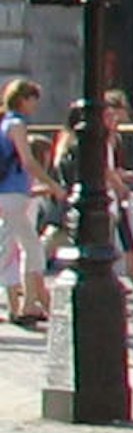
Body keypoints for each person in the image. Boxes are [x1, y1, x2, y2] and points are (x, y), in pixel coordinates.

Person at [0, 76, 43, 328]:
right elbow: (27, 161)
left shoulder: (5, 123)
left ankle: (20, 305)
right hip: (13, 193)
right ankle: (26, 304)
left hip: (9, 192)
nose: (34, 106)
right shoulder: (16, 124)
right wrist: (52, 184)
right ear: (23, 99)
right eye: (33, 100)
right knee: (25, 248)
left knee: (14, 247)